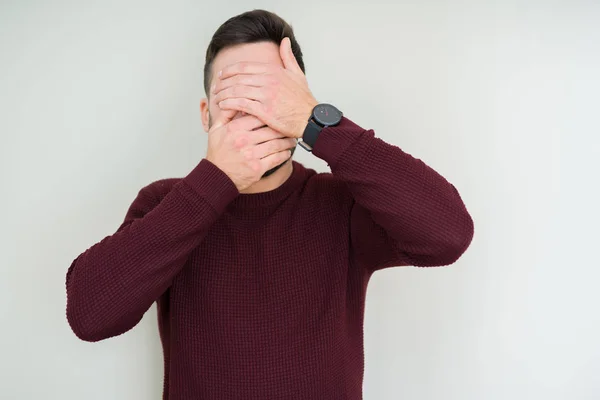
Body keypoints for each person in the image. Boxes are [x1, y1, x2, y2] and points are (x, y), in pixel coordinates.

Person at [65, 9, 474, 400]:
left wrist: (318, 124)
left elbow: (447, 235)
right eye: (237, 97)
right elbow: (90, 316)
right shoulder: (166, 203)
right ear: (207, 115)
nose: (257, 114)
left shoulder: (339, 203)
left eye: (270, 96)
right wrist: (215, 180)